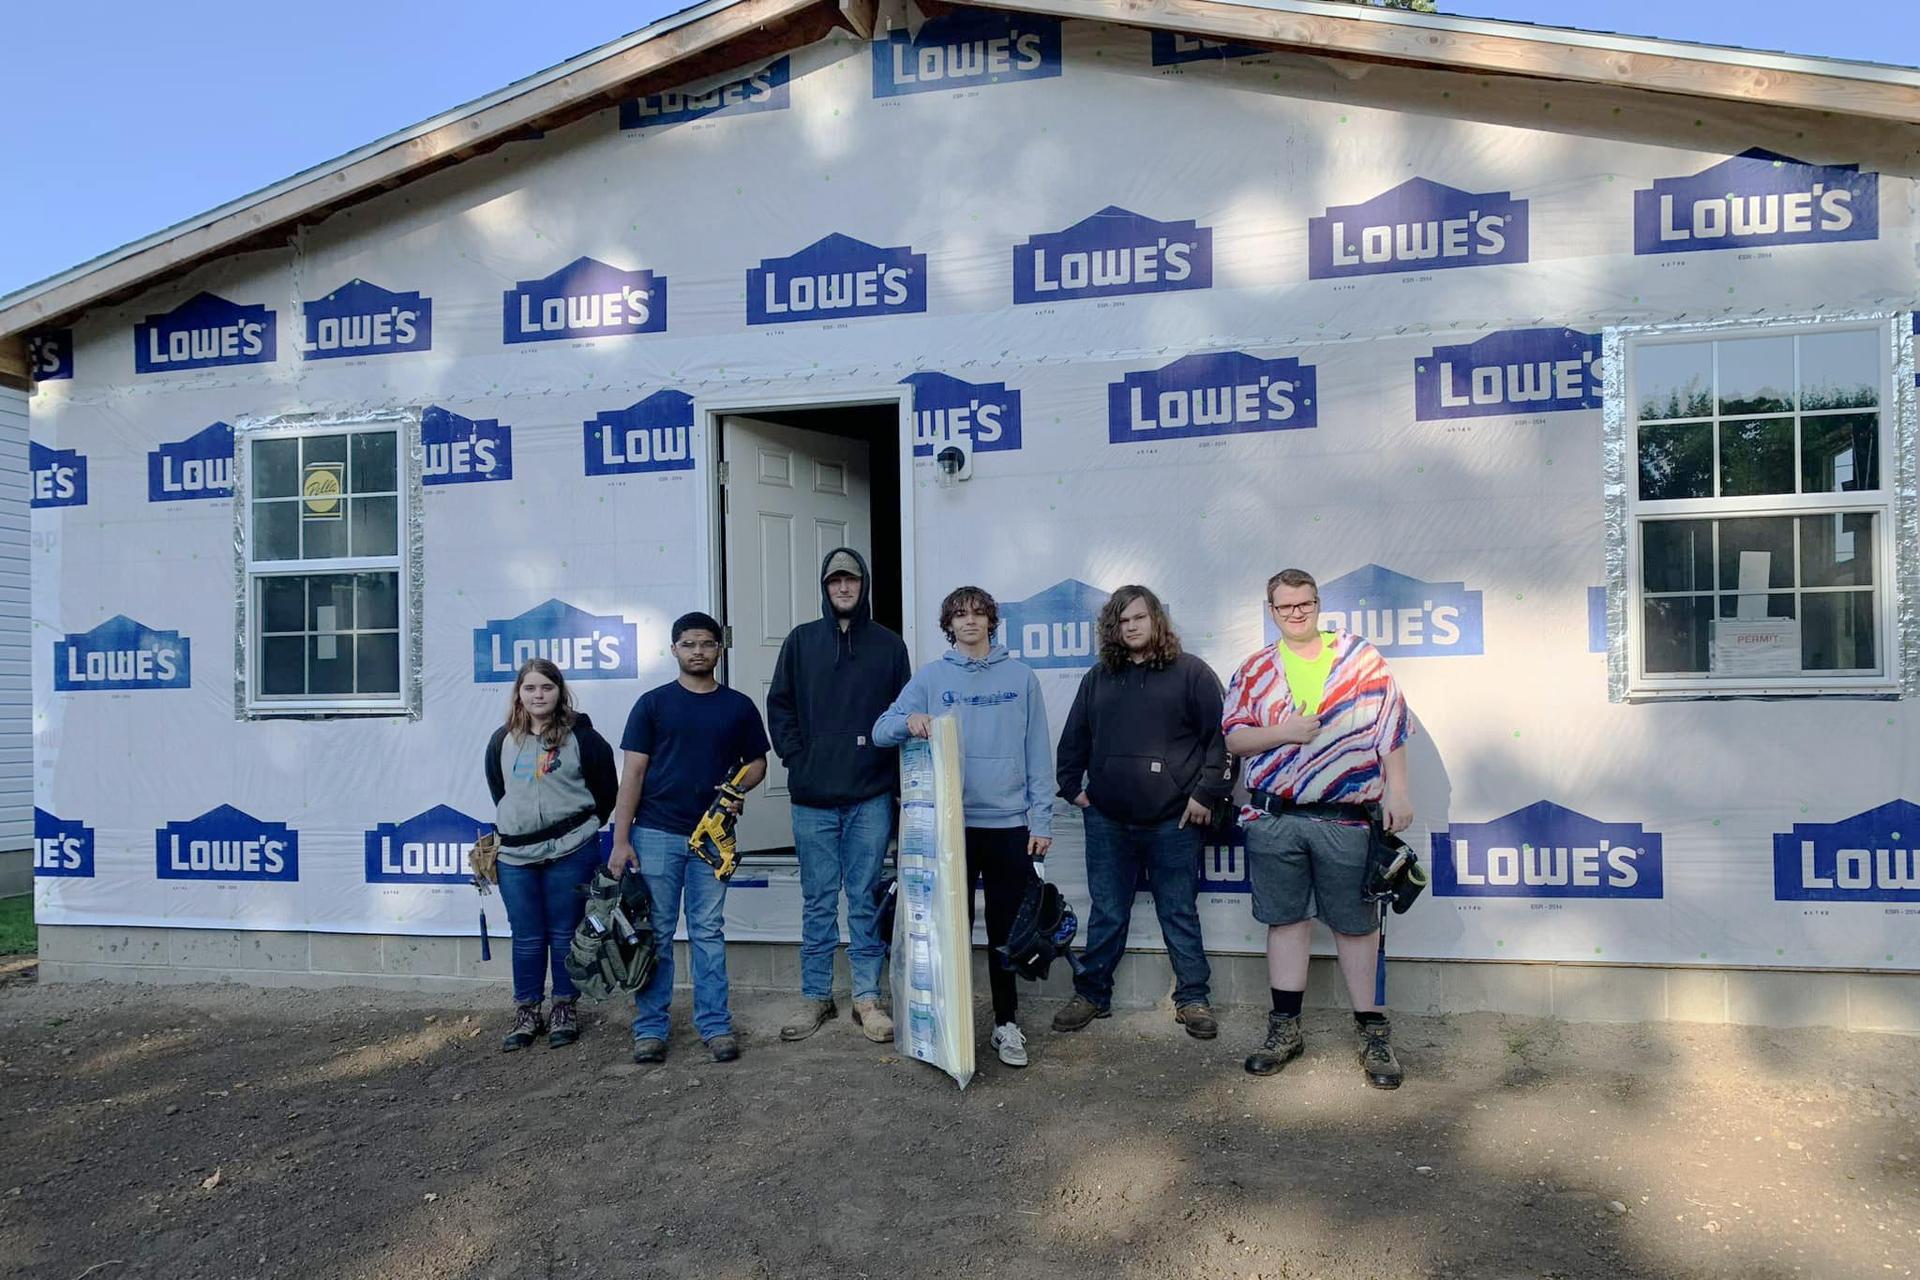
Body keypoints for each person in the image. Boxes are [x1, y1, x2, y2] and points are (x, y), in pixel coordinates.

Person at [1222, 569, 1414, 1089]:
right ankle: (1285, 1029)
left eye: (1304, 604)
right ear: (1272, 610)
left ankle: (1373, 1033)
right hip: (1274, 817)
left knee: (1356, 926)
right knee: (1285, 923)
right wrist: (1282, 732)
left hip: (1345, 817)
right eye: (1285, 608)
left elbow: (1390, 727)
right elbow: (1235, 741)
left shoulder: (1359, 658)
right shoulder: (1255, 669)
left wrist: (1397, 791)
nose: (1296, 614)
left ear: (1318, 603)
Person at [873, 586, 1053, 1069]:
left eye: (979, 613)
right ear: (948, 625)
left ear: (992, 621)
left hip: (1009, 824)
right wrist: (910, 719)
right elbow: (880, 729)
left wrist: (1041, 818)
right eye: (959, 614)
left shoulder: (1021, 677)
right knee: (947, 929)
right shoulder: (932, 677)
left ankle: (1006, 1025)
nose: (969, 621)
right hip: (948, 828)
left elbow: (1038, 753)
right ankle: (947, 1031)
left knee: (1004, 930)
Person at [1052, 586, 1229, 1040]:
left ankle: (1192, 998)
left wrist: (1205, 795)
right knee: (1108, 912)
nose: (1131, 627)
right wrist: (1074, 790)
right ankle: (1092, 994)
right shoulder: (1098, 678)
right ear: (1113, 628)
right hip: (1108, 819)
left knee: (1178, 911)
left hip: (1175, 822)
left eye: (1139, 618)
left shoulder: (1192, 674)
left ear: (1157, 621)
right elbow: (1074, 740)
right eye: (1122, 621)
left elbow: (1223, 742)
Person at [607, 611, 771, 1065]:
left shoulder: (738, 706)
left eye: (707, 643)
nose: (698, 650)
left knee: (708, 932)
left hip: (711, 839)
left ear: (721, 649)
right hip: (656, 833)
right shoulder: (653, 704)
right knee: (656, 934)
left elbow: (758, 763)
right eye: (689, 643)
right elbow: (633, 774)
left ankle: (716, 1027)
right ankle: (651, 1029)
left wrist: (736, 788)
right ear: (674, 649)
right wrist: (621, 841)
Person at [767, 548, 912, 1044]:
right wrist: (796, 756)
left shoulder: (890, 647)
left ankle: (867, 1000)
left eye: (851, 581)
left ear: (864, 585)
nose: (843, 588)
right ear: (825, 588)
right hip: (812, 797)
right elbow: (780, 704)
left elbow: (902, 713)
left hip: (869, 795)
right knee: (818, 900)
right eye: (835, 582)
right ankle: (816, 997)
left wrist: (891, 782)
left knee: (865, 898)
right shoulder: (801, 641)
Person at [483, 658, 619, 1052]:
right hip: (516, 856)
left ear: (560, 691)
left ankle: (564, 1007)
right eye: (530, 688)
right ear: (519, 694)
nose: (538, 695)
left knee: (564, 932)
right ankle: (527, 1010)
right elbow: (500, 790)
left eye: (546, 687)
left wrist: (578, 829)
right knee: (526, 935)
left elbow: (605, 792)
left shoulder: (584, 738)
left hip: (571, 849)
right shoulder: (502, 740)